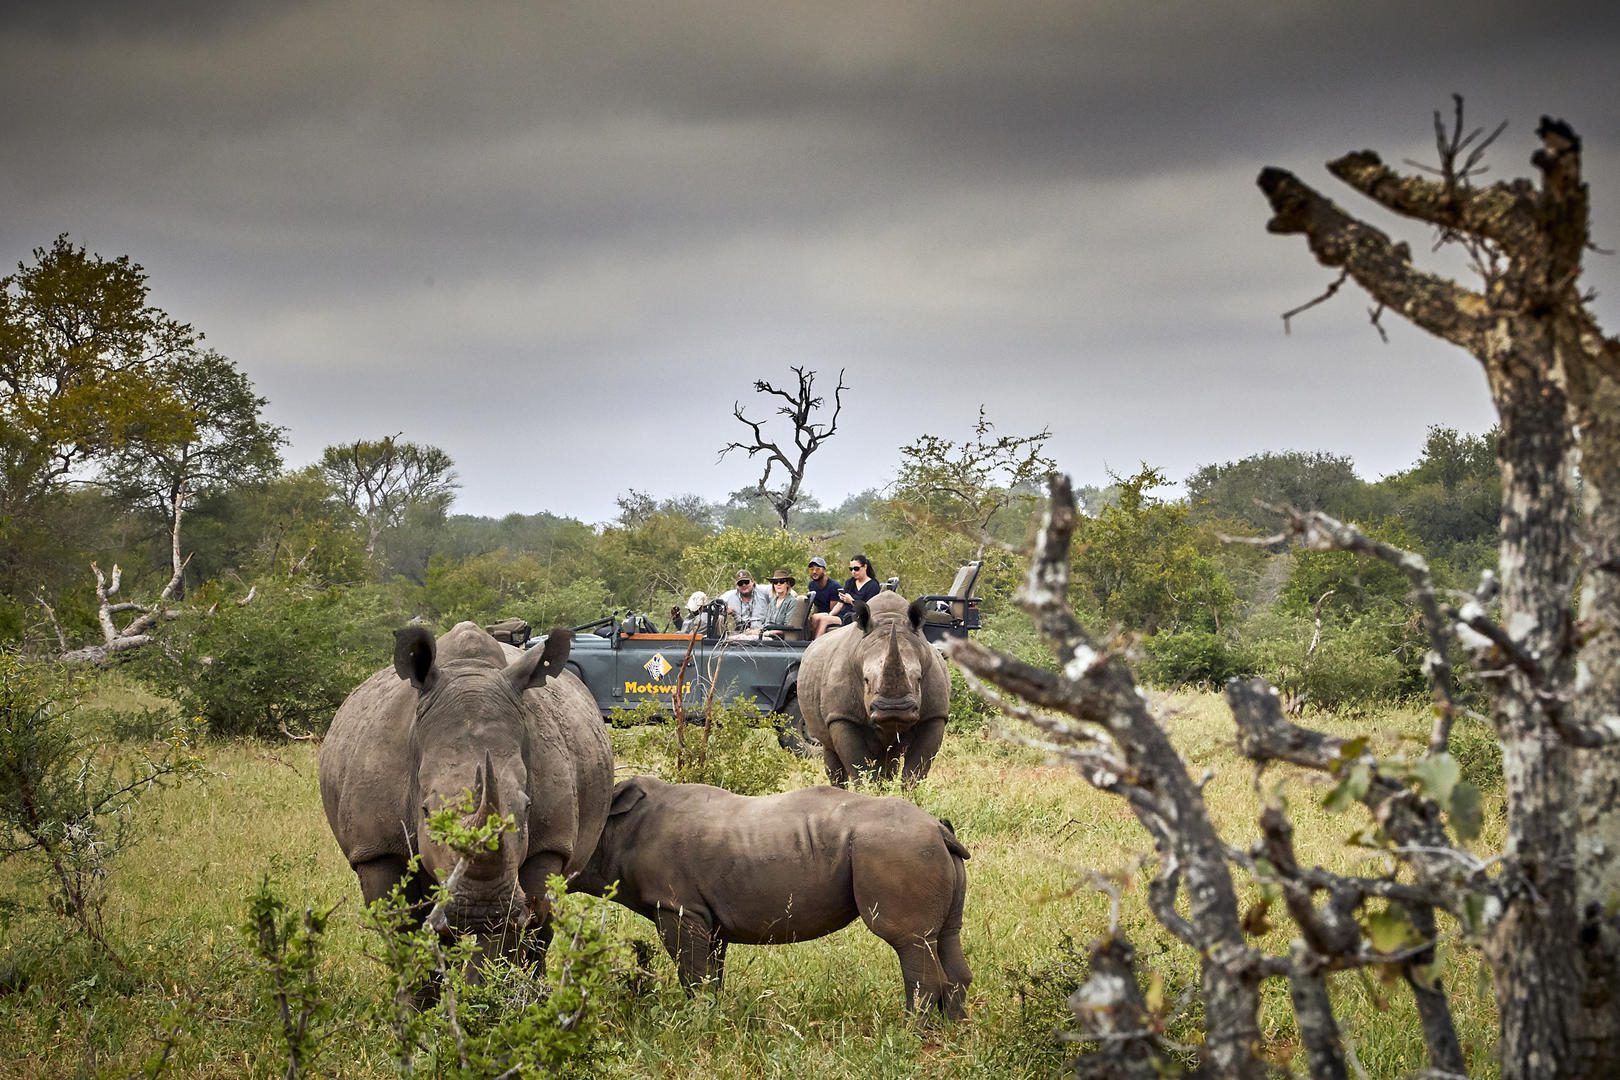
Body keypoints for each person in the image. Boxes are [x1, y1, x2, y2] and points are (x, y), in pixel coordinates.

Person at [805, 555, 843, 639]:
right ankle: (808, 641)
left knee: (817, 618)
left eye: (817, 569)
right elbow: (816, 606)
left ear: (824, 571)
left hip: (835, 614)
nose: (814, 572)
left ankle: (815, 642)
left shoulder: (834, 586)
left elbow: (833, 610)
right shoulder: (812, 585)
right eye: (811, 569)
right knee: (812, 618)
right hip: (822, 613)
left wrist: (819, 616)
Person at [836, 554, 881, 625]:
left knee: (823, 620)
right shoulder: (850, 582)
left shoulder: (873, 586)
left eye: (856, 568)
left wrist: (851, 601)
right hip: (842, 615)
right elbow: (840, 604)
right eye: (851, 569)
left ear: (865, 567)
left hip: (856, 618)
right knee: (817, 617)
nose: (853, 571)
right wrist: (830, 614)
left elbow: (868, 609)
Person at [759, 567, 800, 637]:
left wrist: (769, 633)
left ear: (787, 584)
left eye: (781, 581)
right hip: (767, 634)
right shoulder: (772, 602)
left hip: (780, 638)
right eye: (775, 582)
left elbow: (787, 626)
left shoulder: (792, 602)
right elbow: (766, 623)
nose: (778, 584)